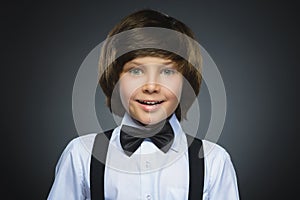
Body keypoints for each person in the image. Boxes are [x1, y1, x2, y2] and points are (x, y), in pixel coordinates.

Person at [48, 9, 239, 200]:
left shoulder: (214, 162)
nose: (151, 86)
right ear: (115, 79)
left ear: (186, 83)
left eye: (167, 72)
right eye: (136, 71)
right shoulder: (81, 155)